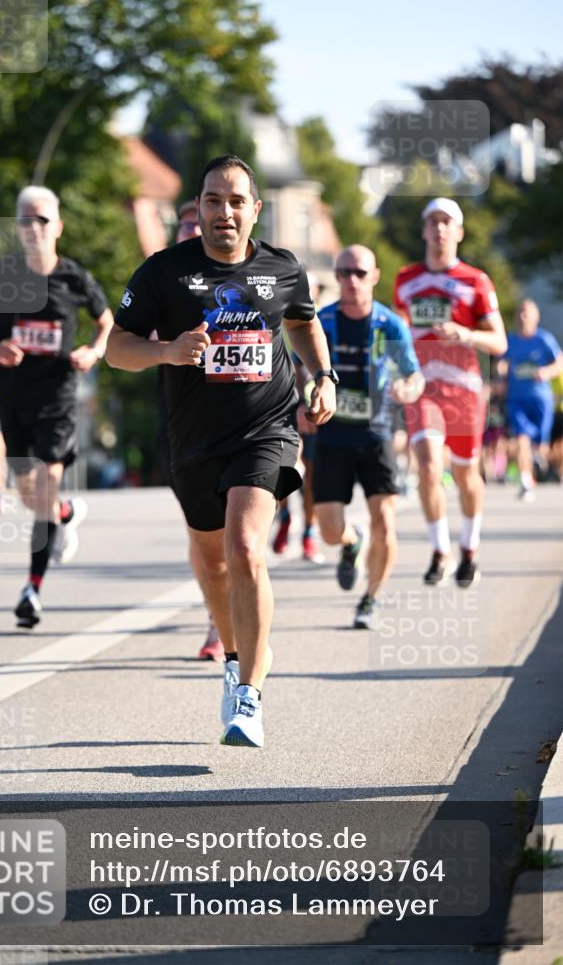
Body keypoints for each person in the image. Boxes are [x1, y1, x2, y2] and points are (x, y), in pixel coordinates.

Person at [107, 155, 336, 747]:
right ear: (199, 208)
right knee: (212, 563)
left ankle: (250, 695)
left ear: (255, 210)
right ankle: (234, 658)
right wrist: (166, 351)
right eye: (213, 200)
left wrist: (324, 375)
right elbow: (116, 348)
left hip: (267, 430)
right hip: (193, 441)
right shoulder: (163, 272)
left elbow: (303, 322)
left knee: (245, 548)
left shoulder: (282, 268)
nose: (224, 212)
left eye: (236, 201)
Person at [0, 186, 114, 628]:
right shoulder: (2, 274)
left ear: (57, 227)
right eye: (25, 220)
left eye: (41, 220)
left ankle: (32, 589)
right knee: (31, 495)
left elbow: (106, 323)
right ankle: (64, 513)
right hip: (14, 396)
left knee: (46, 482)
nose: (33, 228)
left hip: (58, 396)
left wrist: (92, 352)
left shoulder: (74, 277)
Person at [299, 245, 423, 629]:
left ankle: (371, 599)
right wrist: (302, 402)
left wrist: (407, 389)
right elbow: (298, 369)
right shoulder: (322, 321)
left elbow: (415, 376)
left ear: (374, 277)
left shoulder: (390, 325)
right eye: (343, 272)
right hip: (332, 435)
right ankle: (352, 541)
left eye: (359, 273)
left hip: (376, 434)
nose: (351, 280)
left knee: (384, 522)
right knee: (329, 530)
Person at [394, 198, 507, 589]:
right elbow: (398, 333)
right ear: (424, 230)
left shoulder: (476, 281)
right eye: (433, 221)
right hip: (423, 388)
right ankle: (440, 551)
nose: (440, 228)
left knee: (465, 474)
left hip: (464, 390)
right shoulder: (405, 279)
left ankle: (469, 548)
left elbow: (500, 342)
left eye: (447, 222)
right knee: (427, 466)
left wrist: (467, 334)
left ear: (459, 232)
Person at [158, 200, 224, 661]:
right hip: (183, 424)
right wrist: (166, 347)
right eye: (183, 226)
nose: (190, 231)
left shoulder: (239, 274)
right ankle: (217, 611)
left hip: (245, 422)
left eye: (195, 224)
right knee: (200, 533)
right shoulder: (161, 281)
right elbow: (126, 343)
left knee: (240, 535)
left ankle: (225, 621)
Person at [272, 269, 325, 564]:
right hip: (285, 410)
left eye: (311, 288)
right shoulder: (280, 321)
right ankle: (285, 516)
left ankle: (308, 532)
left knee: (313, 477)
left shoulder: (323, 322)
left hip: (315, 412)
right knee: (286, 466)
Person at [499, 299, 563, 501]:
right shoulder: (511, 340)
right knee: (521, 439)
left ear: (536, 317)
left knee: (542, 446)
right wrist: (501, 372)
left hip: (541, 400)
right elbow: (502, 362)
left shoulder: (544, 339)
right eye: (520, 312)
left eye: (527, 313)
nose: (522, 317)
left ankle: (541, 460)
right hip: (517, 399)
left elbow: (559, 363)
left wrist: (546, 372)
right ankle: (526, 481)